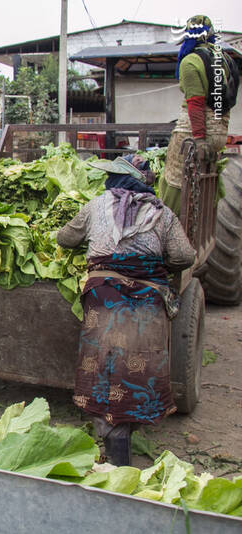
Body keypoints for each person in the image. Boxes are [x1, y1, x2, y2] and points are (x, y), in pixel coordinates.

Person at [57, 156, 196, 466]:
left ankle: (114, 444)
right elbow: (185, 256)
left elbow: (65, 239)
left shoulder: (96, 205)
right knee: (138, 364)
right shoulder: (162, 213)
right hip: (148, 297)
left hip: (104, 295)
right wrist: (152, 262)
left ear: (115, 183)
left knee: (105, 364)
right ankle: (125, 432)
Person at [159, 15, 237, 215]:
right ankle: (201, 220)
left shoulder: (191, 61)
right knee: (203, 180)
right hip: (218, 133)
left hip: (193, 134)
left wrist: (200, 139)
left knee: (173, 178)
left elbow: (195, 102)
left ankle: (169, 225)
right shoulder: (224, 59)